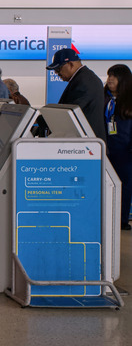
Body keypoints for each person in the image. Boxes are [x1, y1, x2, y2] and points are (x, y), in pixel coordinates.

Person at [46, 48, 107, 142]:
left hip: (87, 144)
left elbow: (71, 112)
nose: (56, 73)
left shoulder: (85, 81)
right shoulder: (82, 78)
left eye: (58, 69)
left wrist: (44, 120)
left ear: (70, 64)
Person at [104, 64, 132, 230]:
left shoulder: (129, 101)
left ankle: (121, 219)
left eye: (114, 76)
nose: (110, 79)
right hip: (107, 148)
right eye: (109, 76)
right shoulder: (104, 98)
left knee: (125, 185)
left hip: (126, 150)